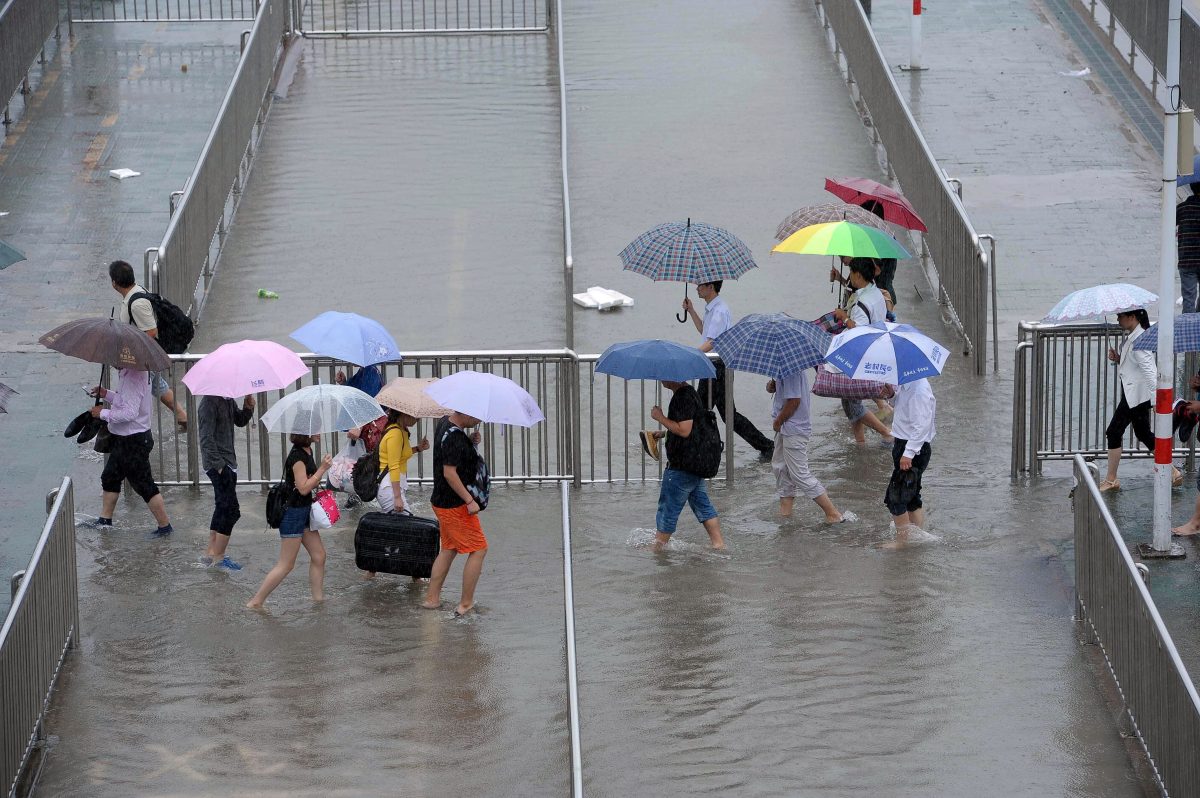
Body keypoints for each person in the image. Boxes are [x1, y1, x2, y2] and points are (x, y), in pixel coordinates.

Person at [682, 280, 774, 458]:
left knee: (701, 412)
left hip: (716, 367)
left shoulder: (719, 311)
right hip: (714, 366)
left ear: (711, 287)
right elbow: (705, 332)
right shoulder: (712, 309)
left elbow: (712, 342)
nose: (697, 288)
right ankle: (766, 446)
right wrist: (691, 310)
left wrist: (692, 355)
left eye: (700, 285)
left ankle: (702, 451)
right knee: (725, 415)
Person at [1099, 308, 1181, 491]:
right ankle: (1173, 471)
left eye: (1120, 316)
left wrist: (1157, 401)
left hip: (1135, 397)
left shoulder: (1139, 339)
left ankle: (1111, 479)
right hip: (1136, 395)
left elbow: (1150, 372)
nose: (1118, 319)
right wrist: (1119, 359)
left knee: (1113, 432)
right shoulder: (1136, 336)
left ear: (1132, 317)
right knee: (1143, 433)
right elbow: (1135, 365)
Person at [246, 434, 331, 609]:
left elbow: (306, 483)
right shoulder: (297, 456)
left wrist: (316, 475)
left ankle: (318, 600)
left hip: (304, 511)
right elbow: (303, 488)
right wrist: (322, 468)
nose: (319, 432)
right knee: (286, 564)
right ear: (306, 432)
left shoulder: (307, 450)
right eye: (316, 428)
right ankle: (255, 602)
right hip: (293, 514)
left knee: (319, 555)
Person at [87, 368, 173, 535]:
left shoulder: (134, 376)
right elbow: (125, 400)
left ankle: (165, 526)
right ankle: (105, 520)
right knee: (110, 477)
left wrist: (102, 413)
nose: (113, 364)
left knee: (144, 484)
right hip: (126, 439)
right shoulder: (130, 372)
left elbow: (129, 413)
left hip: (133, 441)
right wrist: (106, 394)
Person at [422, 412, 489, 616]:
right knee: (479, 549)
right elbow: (449, 473)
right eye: (476, 416)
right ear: (466, 412)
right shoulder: (455, 437)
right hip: (455, 504)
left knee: (448, 549)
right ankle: (465, 604)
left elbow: (452, 456)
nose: (478, 420)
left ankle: (432, 599)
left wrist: (470, 442)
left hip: (441, 500)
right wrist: (469, 500)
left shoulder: (445, 424)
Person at [647, 380, 725, 552]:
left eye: (664, 376)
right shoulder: (690, 393)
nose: (661, 380)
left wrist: (660, 417)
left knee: (668, 508)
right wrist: (664, 433)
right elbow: (692, 428)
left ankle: (658, 548)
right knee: (703, 506)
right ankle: (718, 544)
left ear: (672, 377)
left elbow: (684, 430)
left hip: (682, 466)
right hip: (694, 465)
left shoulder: (682, 397)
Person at [108, 260, 188, 429]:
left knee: (139, 388)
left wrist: (132, 354)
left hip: (142, 355)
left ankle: (126, 422)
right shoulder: (136, 292)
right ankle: (183, 416)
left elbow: (151, 331)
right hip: (142, 354)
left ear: (114, 283)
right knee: (157, 385)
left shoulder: (137, 303)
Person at [830, 259, 893, 444]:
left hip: (860, 355)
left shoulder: (862, 302)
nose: (850, 277)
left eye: (851, 273)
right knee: (850, 399)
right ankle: (860, 442)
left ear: (858, 275)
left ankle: (886, 433)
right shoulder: (876, 292)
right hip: (874, 351)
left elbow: (859, 331)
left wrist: (844, 317)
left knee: (851, 402)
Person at [766, 372, 844, 521]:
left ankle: (833, 513)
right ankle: (785, 513)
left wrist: (778, 421)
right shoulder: (783, 370)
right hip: (785, 427)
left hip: (793, 428)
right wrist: (773, 386)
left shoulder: (791, 371)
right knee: (781, 469)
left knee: (799, 474)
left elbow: (794, 401)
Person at [198, 394, 255, 570]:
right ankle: (219, 558)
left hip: (228, 463)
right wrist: (220, 466)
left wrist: (248, 408)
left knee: (222, 506)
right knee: (231, 511)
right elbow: (206, 438)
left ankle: (211, 552)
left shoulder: (227, 399)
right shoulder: (208, 403)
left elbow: (239, 420)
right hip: (219, 465)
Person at [883, 377, 936, 548]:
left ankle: (902, 542)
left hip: (912, 448)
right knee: (911, 497)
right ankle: (916, 536)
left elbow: (922, 425)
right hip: (904, 443)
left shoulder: (918, 389)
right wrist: (892, 395)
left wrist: (908, 453)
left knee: (896, 497)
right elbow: (903, 407)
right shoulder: (907, 384)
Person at [1177, 183, 1200, 312]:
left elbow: (1170, 221)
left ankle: (1189, 321)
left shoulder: (1183, 208)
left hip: (1187, 260)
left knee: (1188, 298)